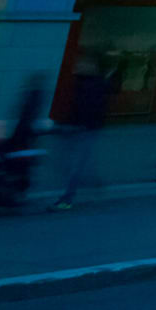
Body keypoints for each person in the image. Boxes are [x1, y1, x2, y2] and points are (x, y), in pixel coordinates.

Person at [52, 55, 112, 209]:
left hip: (84, 128)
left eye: (83, 64)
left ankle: (68, 197)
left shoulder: (92, 85)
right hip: (79, 127)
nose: (78, 67)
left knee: (75, 164)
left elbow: (88, 108)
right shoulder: (83, 83)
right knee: (76, 163)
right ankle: (92, 183)